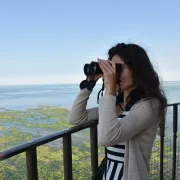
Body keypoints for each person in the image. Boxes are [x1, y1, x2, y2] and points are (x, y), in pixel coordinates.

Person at [68, 43, 167, 180]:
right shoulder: (116, 106)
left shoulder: (149, 105)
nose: (114, 74)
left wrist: (110, 90)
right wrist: (89, 83)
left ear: (137, 70)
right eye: (111, 68)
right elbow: (76, 118)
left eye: (118, 68)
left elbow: (107, 138)